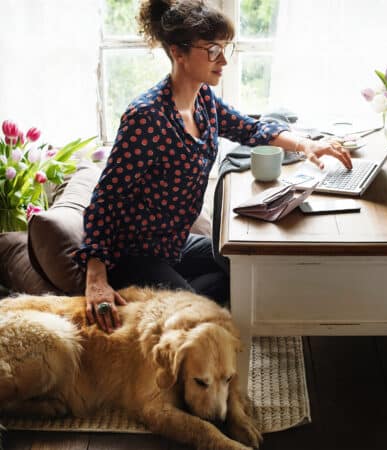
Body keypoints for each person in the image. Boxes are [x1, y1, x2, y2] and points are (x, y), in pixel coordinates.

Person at [73, 0, 352, 334]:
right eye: (213, 50)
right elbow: (106, 198)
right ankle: (166, 305)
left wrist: (306, 144)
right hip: (135, 253)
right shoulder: (146, 118)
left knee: (248, 270)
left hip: (173, 244)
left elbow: (249, 128)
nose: (224, 60)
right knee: (201, 322)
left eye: (226, 49)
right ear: (178, 53)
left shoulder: (204, 99)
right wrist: (96, 278)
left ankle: (163, 303)